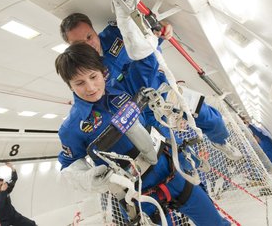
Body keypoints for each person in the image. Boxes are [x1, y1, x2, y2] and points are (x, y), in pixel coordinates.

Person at [55, 40, 230, 225]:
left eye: (93, 77)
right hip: (138, 201)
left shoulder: (126, 88)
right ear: (70, 85)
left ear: (102, 73)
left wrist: (151, 33)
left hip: (173, 175)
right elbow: (69, 165)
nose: (90, 87)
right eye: (79, 83)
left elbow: (146, 61)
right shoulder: (72, 127)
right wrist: (87, 178)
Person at [59, 0, 242, 162]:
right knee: (171, 149)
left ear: (94, 31)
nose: (88, 44)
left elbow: (147, 38)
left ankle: (220, 141)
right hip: (136, 109)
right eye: (79, 44)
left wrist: (161, 31)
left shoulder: (117, 32)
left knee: (208, 116)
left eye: (89, 36)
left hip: (159, 87)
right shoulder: (82, 73)